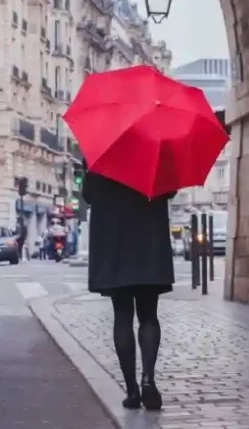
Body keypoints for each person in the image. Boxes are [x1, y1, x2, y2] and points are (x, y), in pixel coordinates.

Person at [81, 159, 175, 411]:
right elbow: (170, 190)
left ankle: (132, 390)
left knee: (122, 315)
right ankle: (148, 380)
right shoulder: (156, 148)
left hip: (115, 244)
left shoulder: (100, 151)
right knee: (148, 315)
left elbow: (89, 195)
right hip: (148, 239)